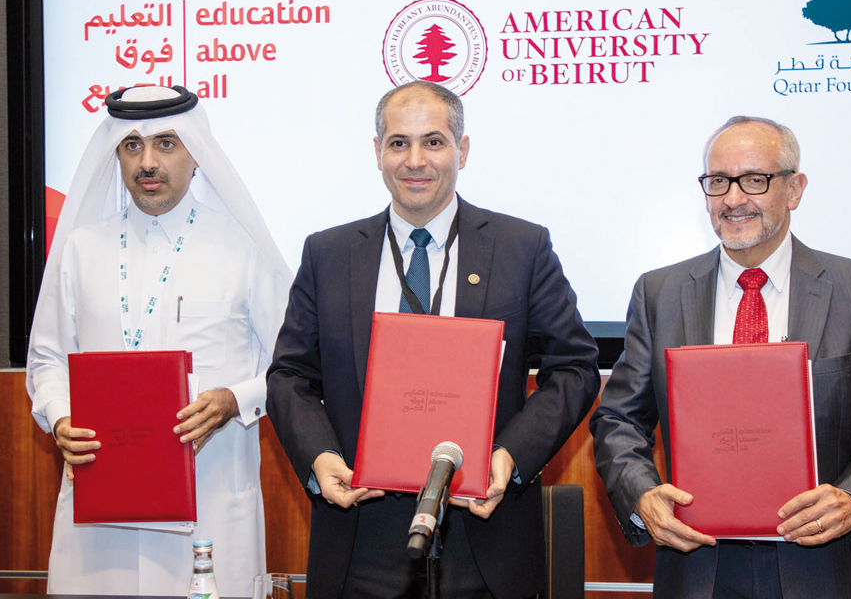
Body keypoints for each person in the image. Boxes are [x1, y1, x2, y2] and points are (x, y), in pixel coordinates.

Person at [266, 80, 601, 598]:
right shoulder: (328, 254)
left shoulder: (522, 247)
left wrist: (510, 456)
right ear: (377, 152)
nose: (415, 160)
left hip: (483, 531)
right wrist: (320, 457)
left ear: (462, 151)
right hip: (359, 531)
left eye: (434, 142)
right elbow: (289, 376)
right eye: (399, 143)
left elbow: (575, 367)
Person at [589, 116, 851, 598]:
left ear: (794, 189)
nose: (733, 198)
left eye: (754, 180)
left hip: (828, 569)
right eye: (718, 181)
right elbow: (618, 419)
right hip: (699, 568)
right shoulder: (658, 293)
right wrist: (642, 495)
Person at [27, 86, 293, 596]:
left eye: (166, 143)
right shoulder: (81, 249)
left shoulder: (242, 247)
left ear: (197, 153)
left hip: (209, 501)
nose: (147, 162)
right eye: (132, 146)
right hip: (99, 510)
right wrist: (60, 419)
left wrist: (233, 399)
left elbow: (292, 362)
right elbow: (47, 357)